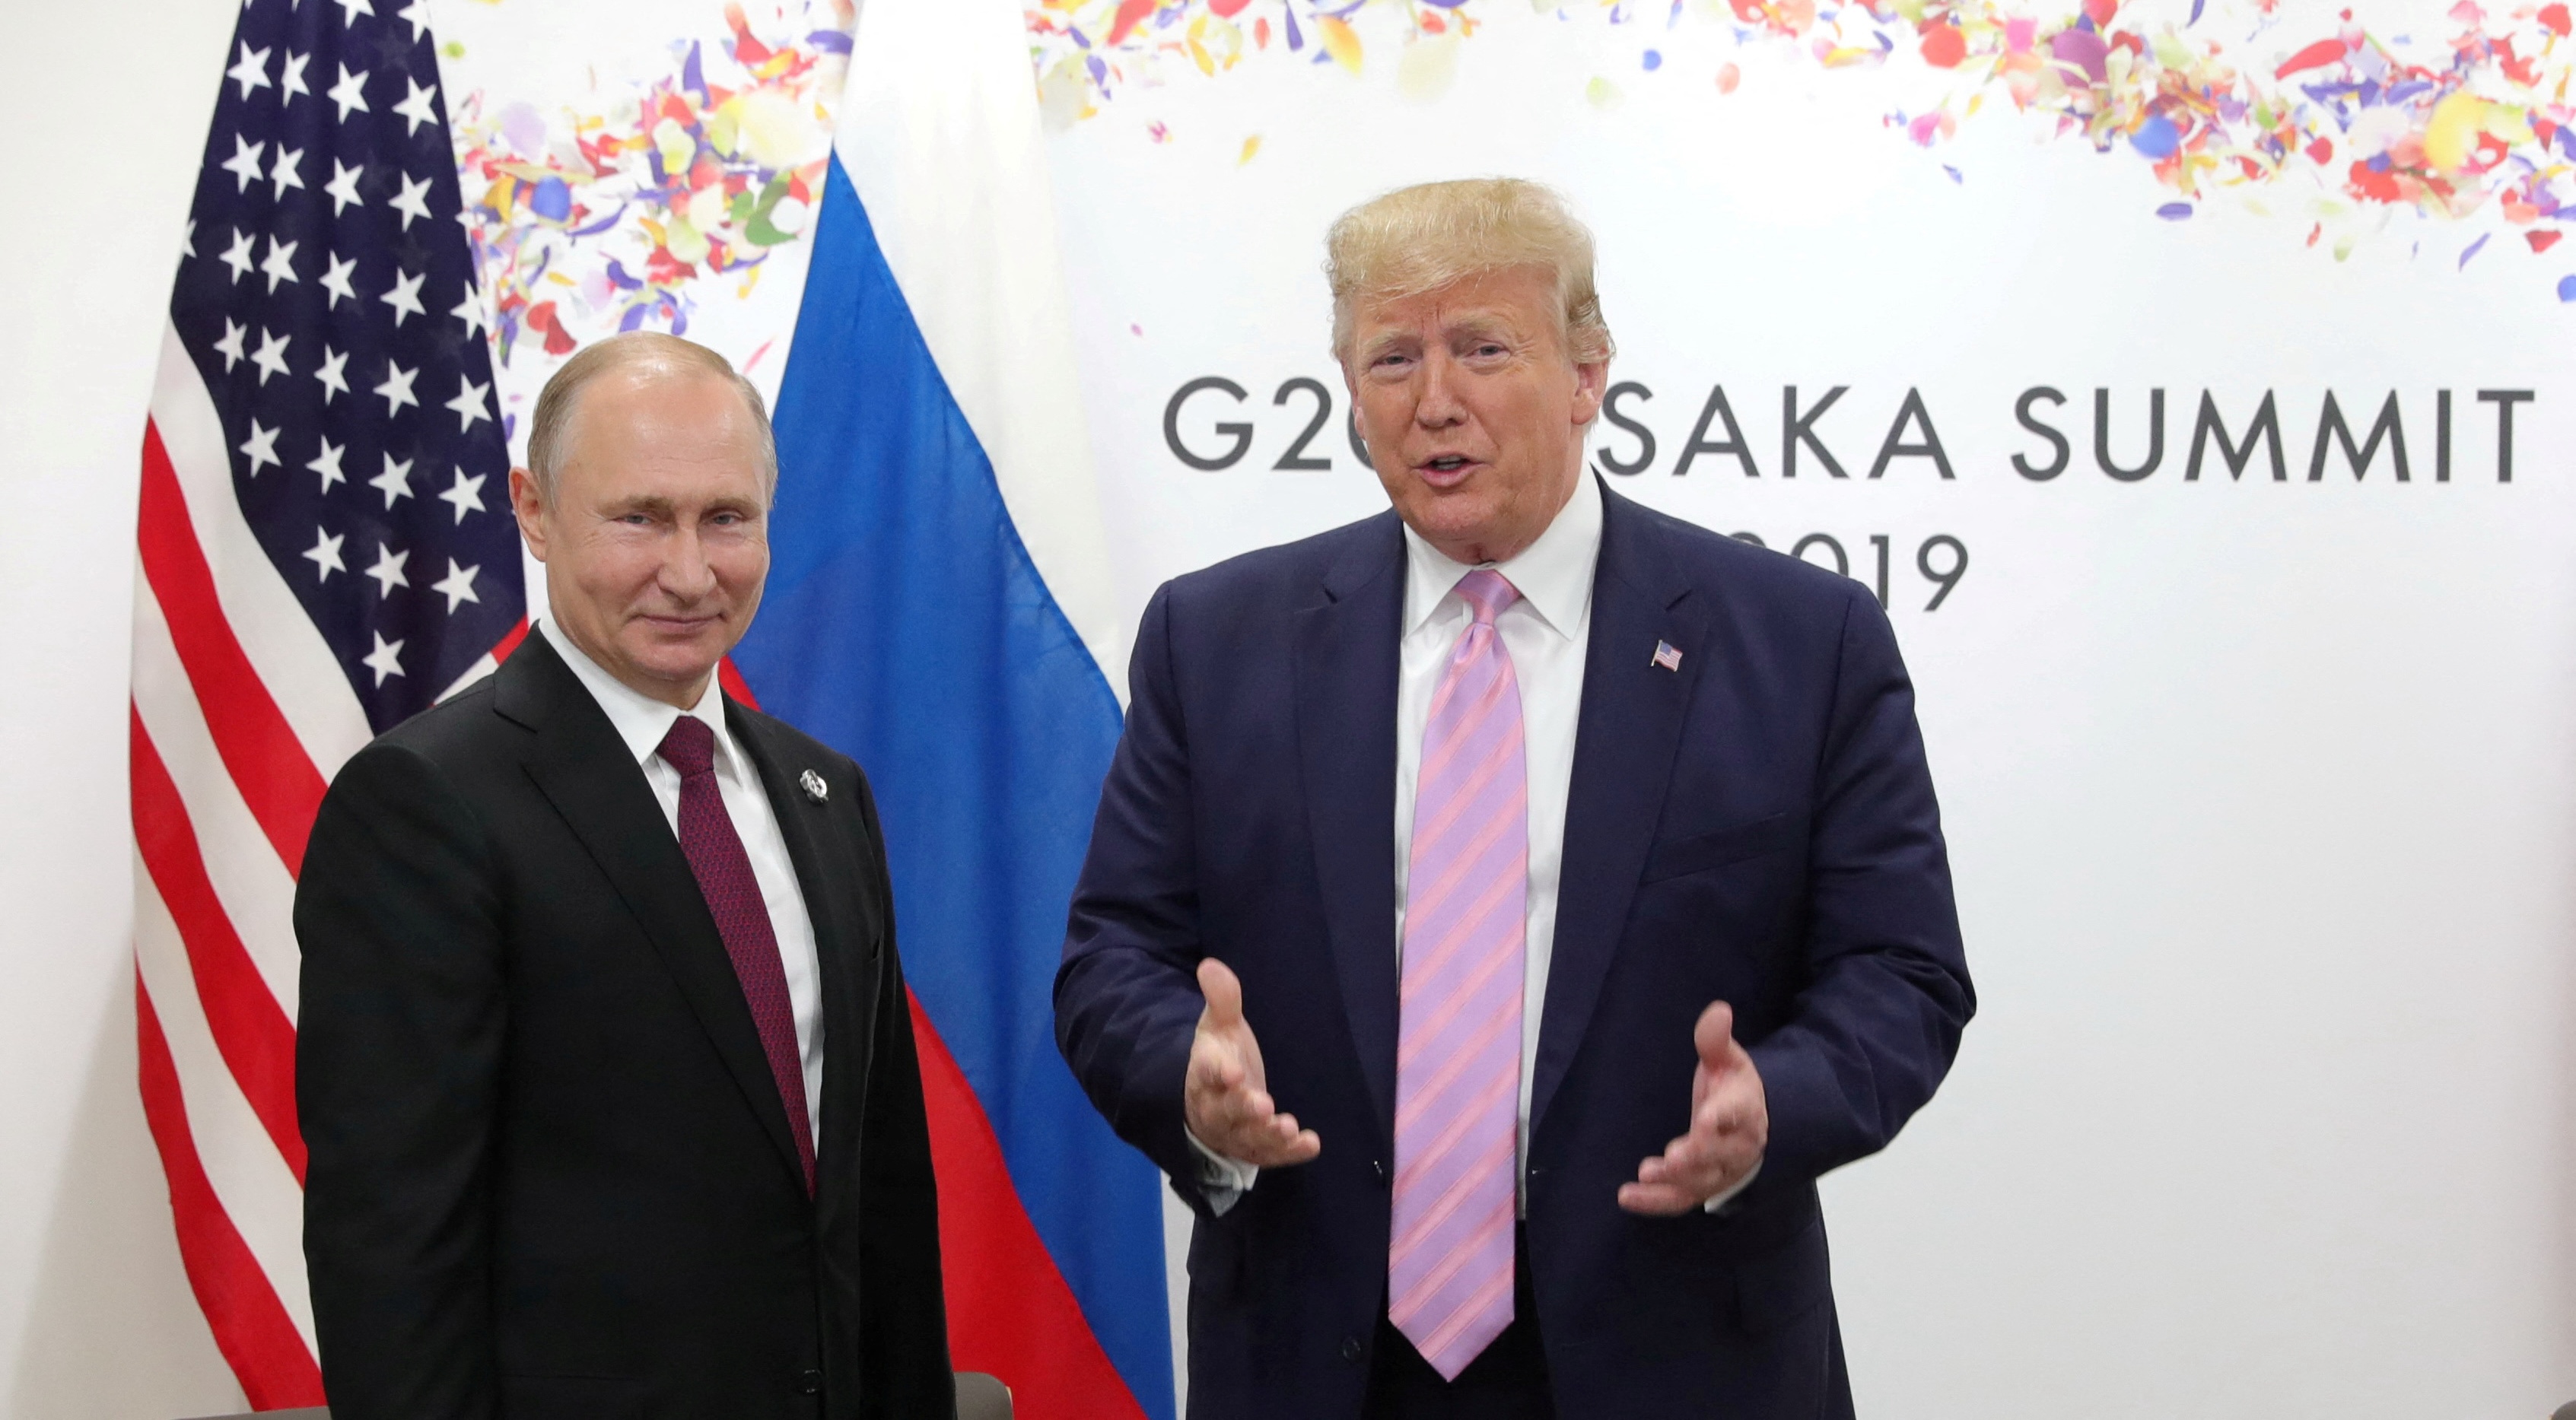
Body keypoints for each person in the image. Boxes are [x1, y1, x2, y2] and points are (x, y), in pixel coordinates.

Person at [1055, 179, 1973, 1419]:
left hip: (1680, 1349)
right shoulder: (1214, 642)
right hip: (1321, 1356)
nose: (1435, 399)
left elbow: (1900, 973)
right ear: (1350, 391)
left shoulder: (1799, 645)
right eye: (1392, 357)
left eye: (1482, 348)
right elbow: (1114, 956)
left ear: (1587, 371)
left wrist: (1776, 1100)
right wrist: (1189, 1080)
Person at [295, 332, 952, 1419]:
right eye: (640, 517)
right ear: (536, 510)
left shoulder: (825, 793)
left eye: (725, 519)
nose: (690, 572)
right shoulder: (423, 804)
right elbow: (392, 1254)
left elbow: (882, 1207)